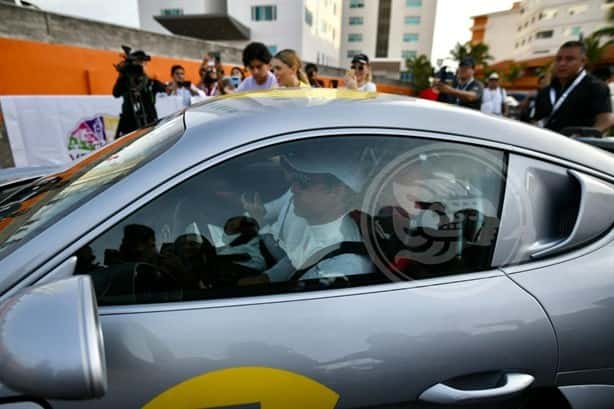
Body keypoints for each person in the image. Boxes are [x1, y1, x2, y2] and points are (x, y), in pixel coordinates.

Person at [240, 146, 373, 285]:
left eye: (304, 181)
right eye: (294, 180)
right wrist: (266, 278)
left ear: (338, 191)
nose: (293, 188)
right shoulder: (318, 223)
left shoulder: (342, 268)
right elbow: (297, 259)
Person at [532, 41, 614, 135]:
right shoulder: (546, 91)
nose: (562, 63)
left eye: (569, 59)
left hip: (574, 146)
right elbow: (536, 120)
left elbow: (606, 120)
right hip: (543, 143)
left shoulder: (595, 87)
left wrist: (585, 137)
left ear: (583, 61)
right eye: (558, 59)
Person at [112, 48, 167, 138]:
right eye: (139, 62)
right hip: (130, 122)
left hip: (149, 121)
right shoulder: (125, 80)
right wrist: (122, 76)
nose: (141, 65)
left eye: (144, 62)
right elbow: (116, 93)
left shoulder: (151, 82)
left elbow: (168, 89)